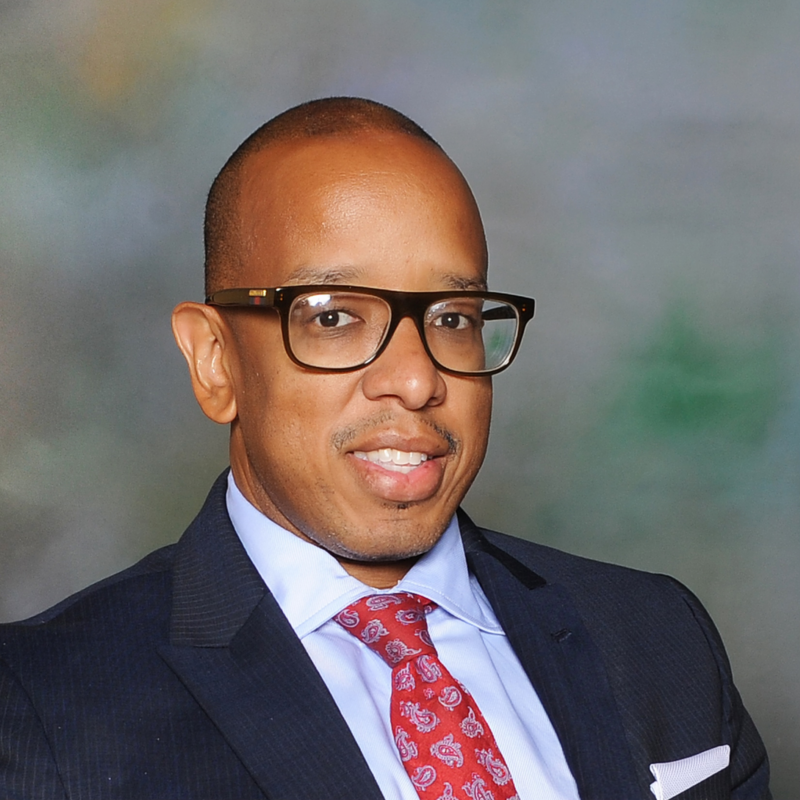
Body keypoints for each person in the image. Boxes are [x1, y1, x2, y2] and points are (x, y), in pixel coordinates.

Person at [0, 98, 770, 800]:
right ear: (216, 362)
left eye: (454, 316)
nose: (415, 379)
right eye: (333, 317)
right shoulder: (40, 707)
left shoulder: (658, 636)